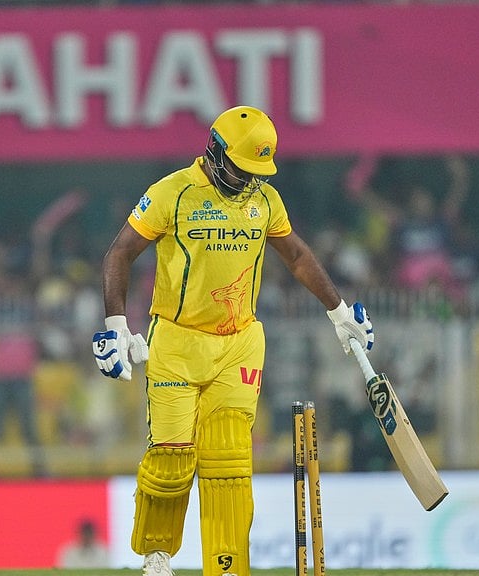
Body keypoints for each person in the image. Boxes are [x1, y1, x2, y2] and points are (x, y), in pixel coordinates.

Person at [91, 105, 374, 576]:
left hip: (239, 342)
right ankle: (157, 555)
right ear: (215, 151)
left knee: (228, 459)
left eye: (256, 173)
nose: (248, 181)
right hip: (177, 344)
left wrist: (338, 310)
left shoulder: (264, 200)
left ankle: (226, 566)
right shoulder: (171, 193)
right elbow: (119, 253)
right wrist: (116, 325)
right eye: (241, 170)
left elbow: (297, 256)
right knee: (171, 460)